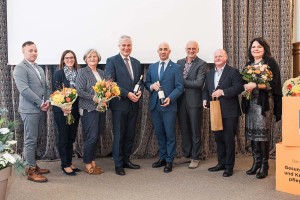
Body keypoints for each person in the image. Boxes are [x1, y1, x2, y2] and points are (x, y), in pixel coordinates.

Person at [242, 37, 282, 179]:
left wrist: (257, 85)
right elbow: (243, 82)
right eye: (253, 47)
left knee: (262, 134)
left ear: (264, 49)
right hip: (251, 102)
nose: (256, 49)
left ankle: (265, 165)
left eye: (259, 46)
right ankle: (256, 163)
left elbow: (275, 84)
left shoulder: (270, 63)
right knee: (252, 134)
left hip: (265, 103)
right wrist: (246, 86)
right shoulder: (248, 64)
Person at [202, 49, 244, 177]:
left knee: (228, 139)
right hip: (215, 110)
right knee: (218, 138)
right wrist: (204, 99)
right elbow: (205, 89)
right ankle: (221, 163)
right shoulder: (209, 74)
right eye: (215, 56)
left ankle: (229, 167)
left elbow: (239, 87)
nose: (217, 58)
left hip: (230, 111)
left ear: (226, 58)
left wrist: (222, 92)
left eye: (220, 56)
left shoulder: (233, 72)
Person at [13, 41, 51, 182]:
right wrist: (40, 103)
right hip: (29, 110)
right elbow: (24, 90)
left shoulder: (39, 68)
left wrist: (47, 101)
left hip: (40, 108)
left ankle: (33, 165)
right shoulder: (20, 68)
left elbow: (45, 87)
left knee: (35, 138)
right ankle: (29, 170)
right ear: (23, 52)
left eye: (35, 50)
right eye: (30, 50)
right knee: (30, 140)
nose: (34, 53)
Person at [105, 35, 142, 176]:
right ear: (119, 46)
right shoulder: (111, 61)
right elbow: (111, 83)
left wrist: (139, 93)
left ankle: (126, 160)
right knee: (119, 135)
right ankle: (118, 164)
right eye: (124, 45)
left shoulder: (137, 62)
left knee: (130, 135)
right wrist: (127, 94)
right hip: (119, 105)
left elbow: (139, 82)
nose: (126, 48)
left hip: (134, 104)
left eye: (129, 45)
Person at [145, 42, 184, 173]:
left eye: (165, 49)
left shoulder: (176, 67)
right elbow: (147, 83)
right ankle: (162, 157)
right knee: (160, 134)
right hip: (155, 106)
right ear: (158, 51)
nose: (163, 51)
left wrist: (171, 98)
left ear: (169, 51)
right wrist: (151, 86)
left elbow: (180, 87)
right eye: (160, 49)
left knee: (170, 134)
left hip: (169, 106)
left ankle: (169, 160)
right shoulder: (152, 67)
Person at [176, 41, 208, 169]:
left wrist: (180, 82)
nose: (191, 50)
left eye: (193, 48)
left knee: (195, 129)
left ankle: (195, 157)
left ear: (198, 49)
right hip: (180, 100)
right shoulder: (179, 62)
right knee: (184, 128)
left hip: (194, 101)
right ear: (185, 49)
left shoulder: (202, 64)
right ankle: (186, 154)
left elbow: (199, 83)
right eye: (189, 48)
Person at [76, 49, 106, 175]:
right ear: (86, 59)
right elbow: (79, 91)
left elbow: (106, 90)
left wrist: (106, 98)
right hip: (89, 109)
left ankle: (93, 161)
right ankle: (88, 163)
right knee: (91, 137)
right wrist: (94, 98)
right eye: (90, 57)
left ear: (98, 59)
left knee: (97, 136)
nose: (92, 58)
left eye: (95, 56)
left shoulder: (102, 72)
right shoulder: (82, 72)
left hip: (101, 109)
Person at [52, 50, 80, 176]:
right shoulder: (58, 73)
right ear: (63, 60)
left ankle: (69, 162)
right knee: (63, 137)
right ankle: (64, 165)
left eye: (72, 57)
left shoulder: (78, 73)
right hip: (61, 110)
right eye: (67, 58)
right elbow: (56, 92)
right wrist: (63, 106)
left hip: (74, 110)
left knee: (71, 137)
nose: (70, 60)